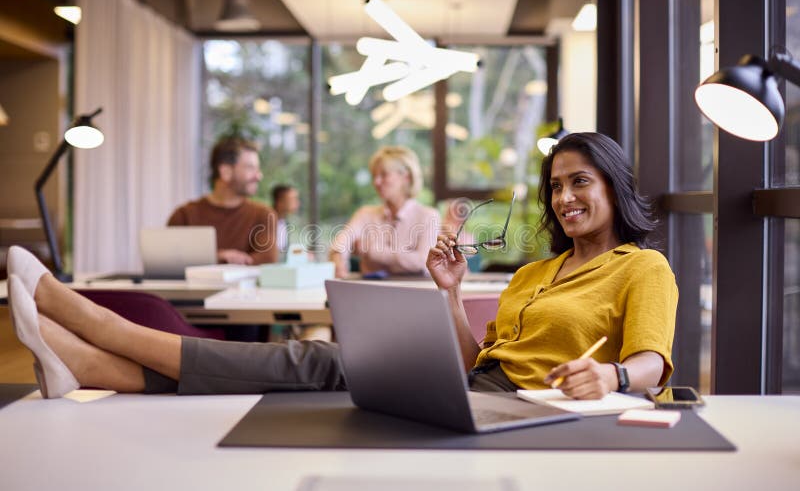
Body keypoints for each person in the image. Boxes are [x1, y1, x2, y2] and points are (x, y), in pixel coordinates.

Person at [6, 132, 677, 400]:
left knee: (317, 362)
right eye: (556, 186)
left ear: (614, 185)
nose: (564, 198)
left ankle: (93, 324)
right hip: (478, 386)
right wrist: (448, 296)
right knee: (320, 361)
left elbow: (652, 364)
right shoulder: (535, 273)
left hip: (528, 410)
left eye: (579, 182)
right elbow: (478, 356)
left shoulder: (641, 267)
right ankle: (89, 364)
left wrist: (613, 373)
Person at [328, 146, 440, 279]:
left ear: (406, 177)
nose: (376, 182)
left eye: (384, 175)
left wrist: (374, 251)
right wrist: (338, 260)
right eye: (374, 176)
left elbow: (423, 262)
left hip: (413, 294)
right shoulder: (365, 214)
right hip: (371, 294)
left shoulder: (428, 216)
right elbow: (339, 245)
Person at [168, 135, 278, 265]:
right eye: (250, 168)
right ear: (226, 172)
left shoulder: (263, 214)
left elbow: (268, 259)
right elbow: (169, 260)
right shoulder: (184, 215)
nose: (258, 176)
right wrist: (218, 256)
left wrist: (207, 260)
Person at [271, 184, 301, 255]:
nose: (298, 203)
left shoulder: (285, 222)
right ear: (280, 202)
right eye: (293, 199)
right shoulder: (266, 222)